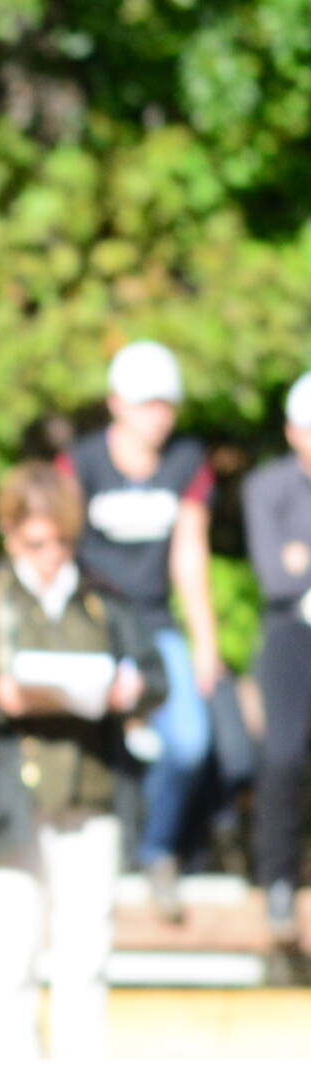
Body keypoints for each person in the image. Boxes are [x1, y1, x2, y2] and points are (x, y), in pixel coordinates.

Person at [0, 462, 164, 1062]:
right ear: (10, 534)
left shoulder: (103, 600)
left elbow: (155, 676)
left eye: (63, 541)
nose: (52, 555)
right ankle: (10, 1072)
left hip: (91, 788)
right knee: (14, 944)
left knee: (87, 945)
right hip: (12, 797)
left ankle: (79, 1072)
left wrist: (127, 691)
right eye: (38, 542)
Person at [61, 340, 218, 915]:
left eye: (167, 405)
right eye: (148, 403)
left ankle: (156, 850)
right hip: (92, 626)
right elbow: (60, 551)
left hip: (155, 625)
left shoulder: (184, 464)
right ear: (117, 405)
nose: (160, 416)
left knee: (190, 743)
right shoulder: (79, 464)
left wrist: (205, 642)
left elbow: (190, 557)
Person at [244, 371, 311, 946]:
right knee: (283, 755)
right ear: (293, 432)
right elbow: (276, 576)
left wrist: (302, 556)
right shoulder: (268, 488)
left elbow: (295, 566)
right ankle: (278, 882)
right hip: (292, 633)